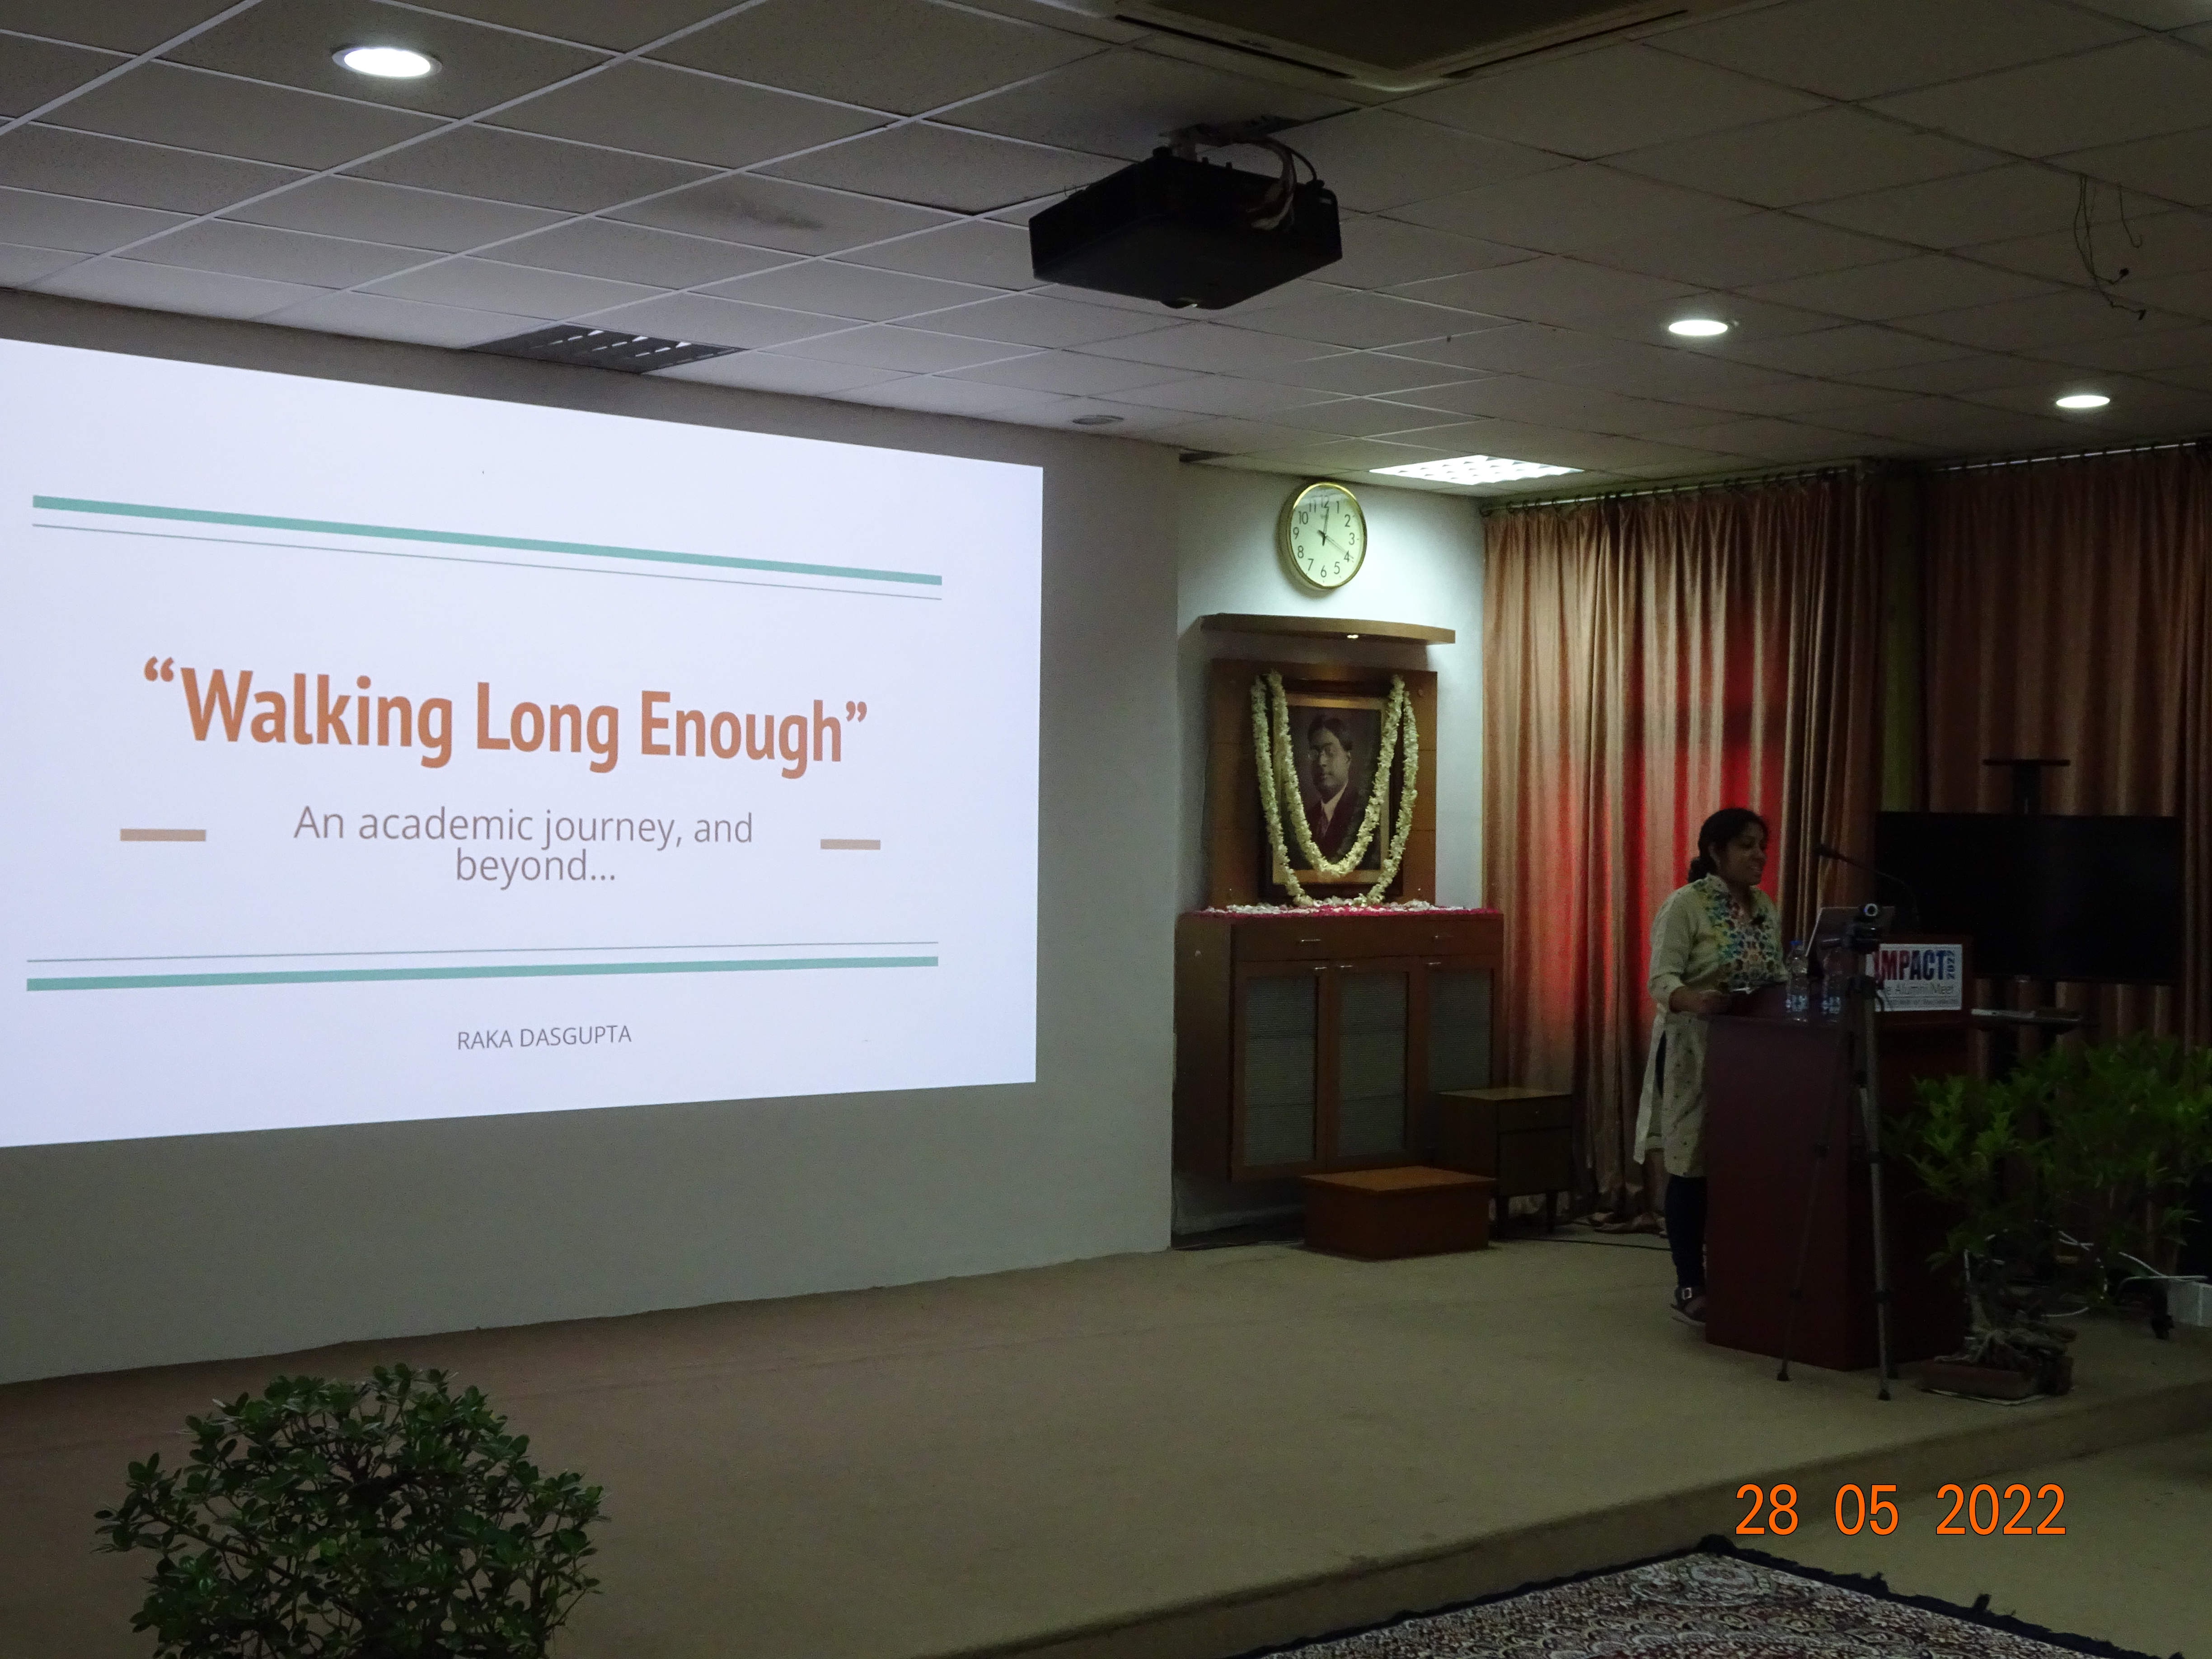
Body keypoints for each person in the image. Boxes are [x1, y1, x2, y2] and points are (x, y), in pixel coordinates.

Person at [1634, 807, 1786, 1326]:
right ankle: (1689, 1283)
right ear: (1715, 852)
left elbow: (1775, 974)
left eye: (1763, 845)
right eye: (1747, 845)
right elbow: (1661, 981)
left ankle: (1744, 1274)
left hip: (1753, 1055)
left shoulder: (1765, 907)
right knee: (1692, 1166)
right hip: (1693, 1052)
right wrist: (1697, 1001)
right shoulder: (1686, 905)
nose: (1759, 855)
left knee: (1746, 1165)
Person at [1299, 713, 1370, 863]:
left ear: (1347, 759)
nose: (1321, 762)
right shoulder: (1306, 819)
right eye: (1315, 754)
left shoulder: (1366, 813)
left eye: (1330, 752)